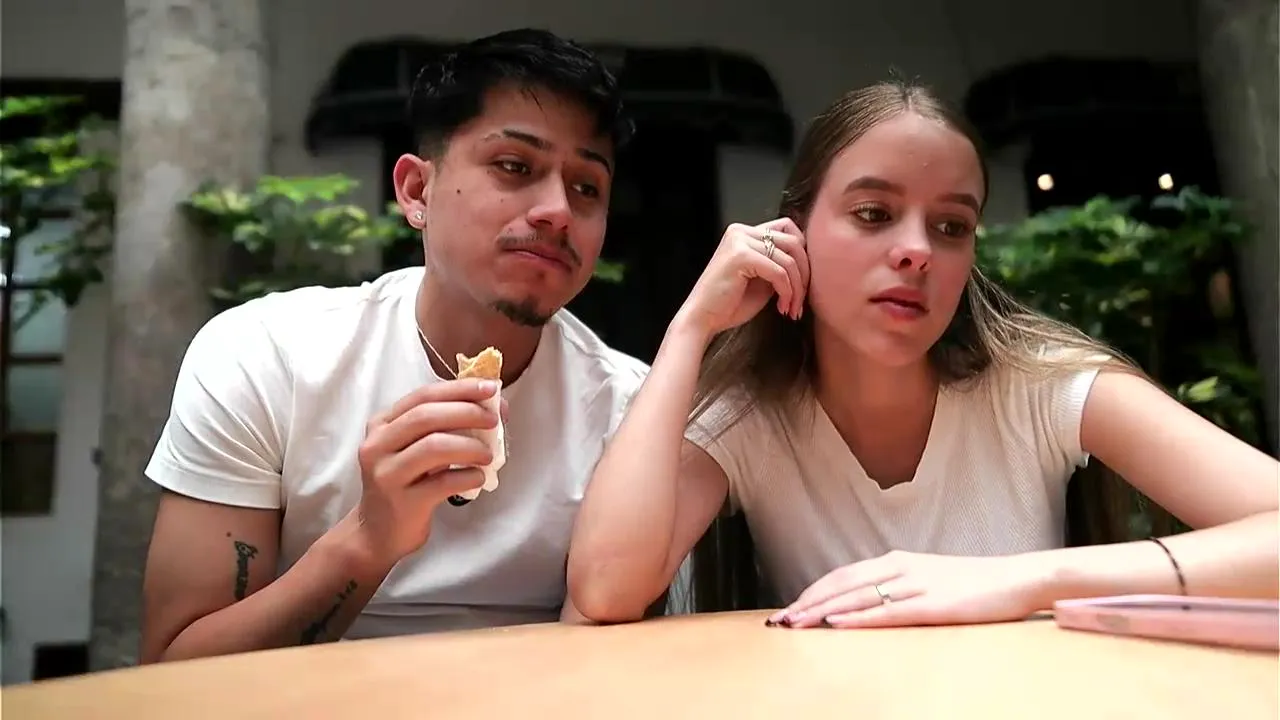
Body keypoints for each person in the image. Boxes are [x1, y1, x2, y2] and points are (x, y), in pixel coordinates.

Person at [566, 80, 1280, 630]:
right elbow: (603, 590)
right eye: (873, 214)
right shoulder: (753, 415)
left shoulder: (1040, 385)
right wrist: (691, 328)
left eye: (951, 226)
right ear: (794, 229)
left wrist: (1027, 579)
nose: (916, 251)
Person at [139, 28, 649, 663]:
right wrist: (369, 537)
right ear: (415, 191)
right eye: (515, 166)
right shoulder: (265, 357)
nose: (558, 210)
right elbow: (176, 669)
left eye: (586, 187)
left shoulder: (630, 409)